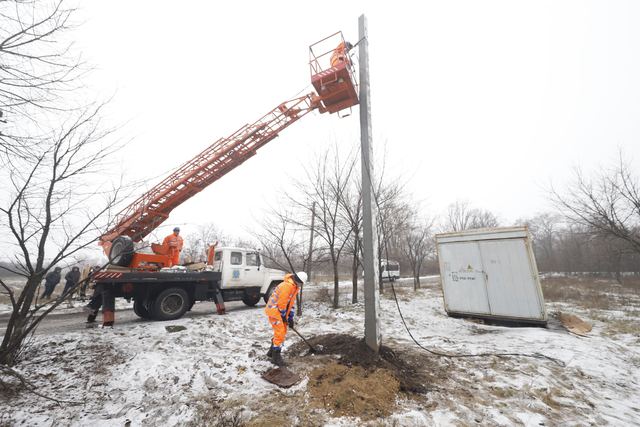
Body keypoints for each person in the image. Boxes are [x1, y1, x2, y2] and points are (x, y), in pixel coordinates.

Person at [264, 272, 307, 366]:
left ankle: (271, 353)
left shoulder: (293, 286)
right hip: (274, 311)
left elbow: (290, 303)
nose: (301, 285)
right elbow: (282, 303)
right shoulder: (287, 286)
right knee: (280, 333)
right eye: (301, 283)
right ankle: (276, 357)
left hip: (279, 311)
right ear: (298, 280)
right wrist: (284, 316)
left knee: (282, 332)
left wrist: (290, 318)